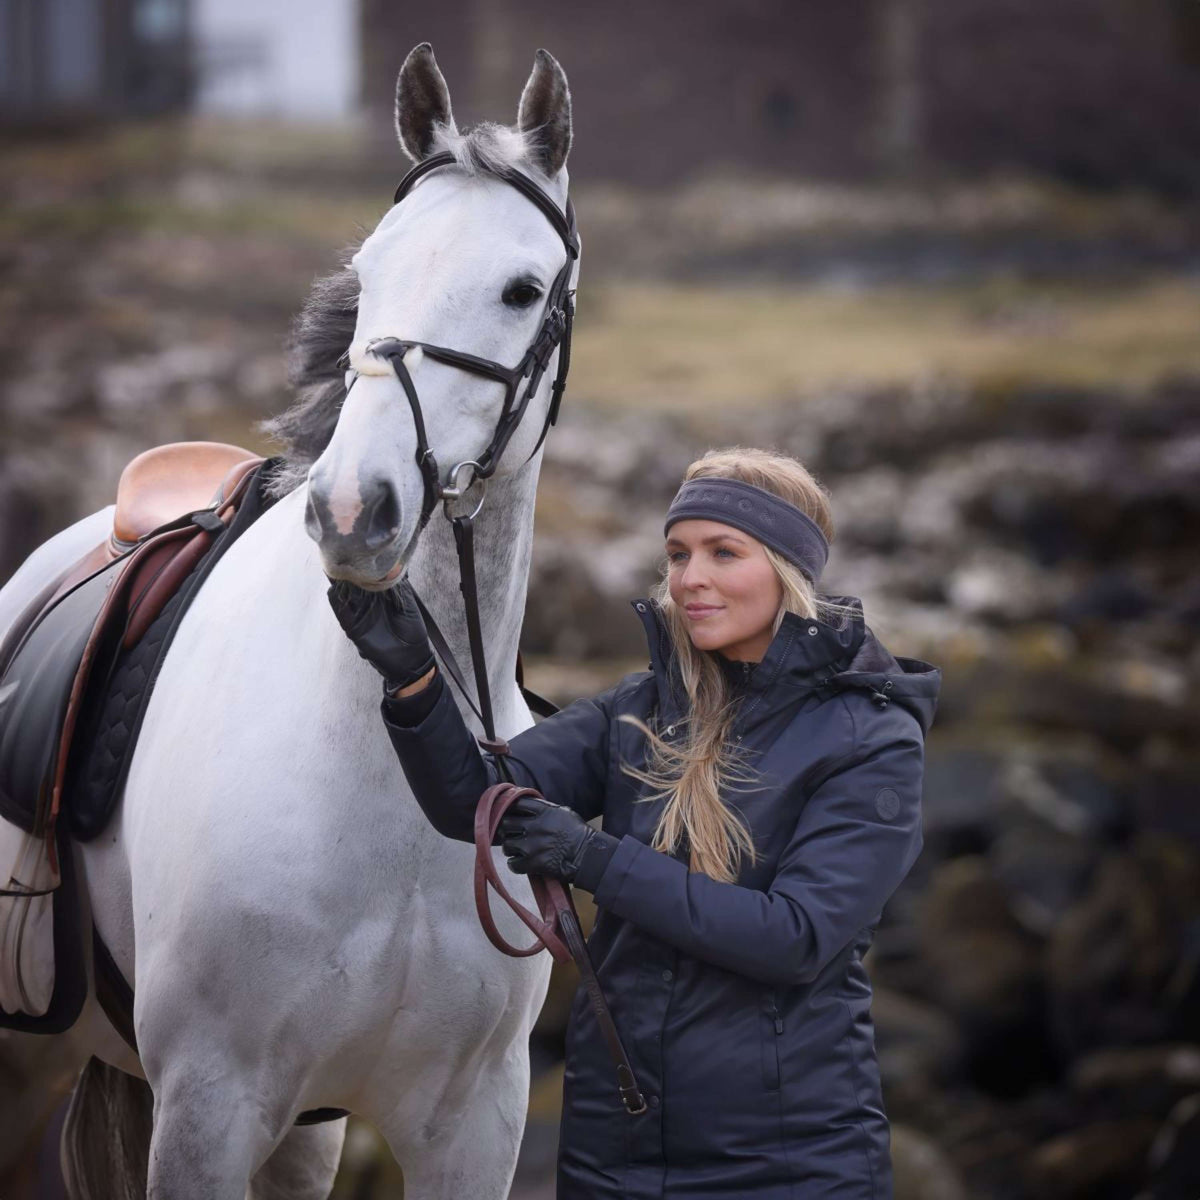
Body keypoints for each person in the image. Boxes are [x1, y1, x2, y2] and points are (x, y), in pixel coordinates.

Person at [327, 447, 941, 1200]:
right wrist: (413, 679)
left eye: (724, 553)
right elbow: (477, 800)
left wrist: (593, 857)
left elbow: (793, 938)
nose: (691, 579)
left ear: (789, 569)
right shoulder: (640, 707)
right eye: (678, 554)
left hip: (790, 1164)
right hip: (610, 1151)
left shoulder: (869, 737)